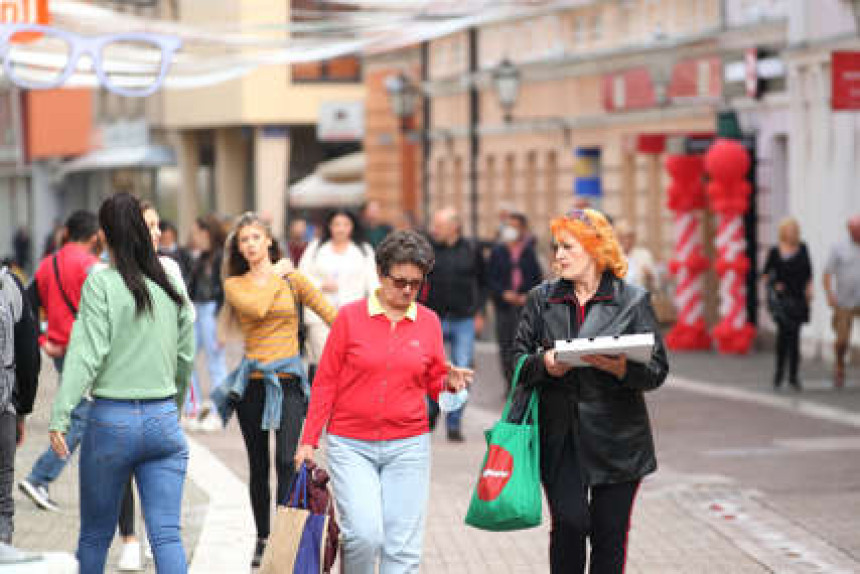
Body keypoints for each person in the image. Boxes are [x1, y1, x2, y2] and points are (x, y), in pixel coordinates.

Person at [294, 230, 473, 574]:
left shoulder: (429, 323)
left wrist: (449, 386)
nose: (407, 291)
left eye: (416, 284)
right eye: (400, 281)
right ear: (380, 274)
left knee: (402, 551)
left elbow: (434, 384)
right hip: (351, 445)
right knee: (363, 535)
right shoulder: (349, 318)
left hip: (409, 445)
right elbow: (326, 383)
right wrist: (308, 440)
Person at [511, 208, 668, 574]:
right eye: (556, 248)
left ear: (596, 250)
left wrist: (622, 368)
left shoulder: (632, 300)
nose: (559, 256)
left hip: (618, 439)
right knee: (570, 524)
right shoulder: (541, 298)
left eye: (568, 247)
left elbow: (657, 370)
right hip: (560, 436)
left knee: (609, 536)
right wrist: (546, 363)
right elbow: (517, 361)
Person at [48, 192, 195, 574]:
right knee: (167, 537)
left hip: (111, 420)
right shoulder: (170, 283)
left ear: (105, 235)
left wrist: (61, 415)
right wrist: (173, 408)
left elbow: (84, 355)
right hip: (163, 419)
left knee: (95, 536)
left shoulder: (102, 285)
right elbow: (186, 357)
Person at [219, 212, 337, 568]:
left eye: (256, 238)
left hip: (288, 383)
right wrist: (276, 273)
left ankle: (285, 541)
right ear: (239, 248)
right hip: (252, 386)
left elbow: (330, 313)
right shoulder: (236, 284)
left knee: (288, 461)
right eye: (244, 240)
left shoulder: (293, 279)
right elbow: (257, 307)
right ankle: (263, 536)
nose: (251, 245)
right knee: (258, 466)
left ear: (268, 241)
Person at [19, 211, 101, 513]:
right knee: (82, 417)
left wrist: (43, 341)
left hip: (60, 352)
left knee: (84, 416)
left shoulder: (46, 264)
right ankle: (39, 476)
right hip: (87, 354)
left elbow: (26, 310)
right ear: (95, 237)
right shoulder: (92, 267)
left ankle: (92, 485)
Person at [424, 208, 486, 442]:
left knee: (462, 370)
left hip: (464, 319)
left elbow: (483, 282)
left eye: (438, 225)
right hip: (434, 319)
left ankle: (454, 423)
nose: (434, 229)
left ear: (454, 226)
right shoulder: (428, 250)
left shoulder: (471, 250)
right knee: (432, 369)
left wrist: (479, 312)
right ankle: (431, 411)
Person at [299, 209, 378, 379]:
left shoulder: (363, 250)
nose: (341, 229)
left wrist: (375, 314)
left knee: (351, 363)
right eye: (336, 224)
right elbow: (301, 277)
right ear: (329, 226)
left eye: (345, 224)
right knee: (324, 363)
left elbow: (373, 285)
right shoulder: (315, 248)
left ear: (353, 227)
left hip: (354, 316)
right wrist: (320, 285)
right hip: (319, 317)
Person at [0, 263, 40, 563]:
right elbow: (28, 355)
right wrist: (23, 408)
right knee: (2, 498)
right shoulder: (10, 286)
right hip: (3, 407)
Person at [488, 212, 543, 392]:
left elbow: (537, 277)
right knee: (505, 345)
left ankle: (522, 382)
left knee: (524, 345)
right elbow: (490, 279)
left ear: (522, 229)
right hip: (504, 306)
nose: (510, 229)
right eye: (508, 225)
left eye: (515, 226)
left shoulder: (528, 251)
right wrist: (503, 293)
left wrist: (527, 296)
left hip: (524, 306)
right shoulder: (498, 251)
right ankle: (509, 383)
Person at [186, 215, 228, 423]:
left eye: (196, 232)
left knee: (216, 362)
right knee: (187, 357)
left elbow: (226, 292)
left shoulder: (220, 257)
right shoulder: (202, 257)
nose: (193, 236)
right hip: (198, 309)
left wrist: (223, 323)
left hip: (213, 311)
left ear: (206, 232)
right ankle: (192, 407)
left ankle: (219, 409)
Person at [763, 218, 813, 391]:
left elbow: (809, 273)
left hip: (798, 299)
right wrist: (774, 283)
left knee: (795, 339)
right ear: (783, 232)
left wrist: (809, 290)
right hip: (782, 301)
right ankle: (778, 374)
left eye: (794, 229)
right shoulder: (775, 251)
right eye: (789, 229)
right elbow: (765, 274)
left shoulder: (803, 248)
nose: (792, 232)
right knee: (782, 338)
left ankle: (793, 376)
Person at [823, 213, 860, 388]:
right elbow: (828, 272)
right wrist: (830, 293)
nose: (857, 233)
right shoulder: (838, 248)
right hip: (844, 300)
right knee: (842, 339)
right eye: (855, 230)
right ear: (849, 230)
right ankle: (839, 365)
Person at [614, 219, 655, 290]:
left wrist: (649, 276)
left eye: (630, 237)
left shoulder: (644, 255)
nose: (627, 241)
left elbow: (654, 284)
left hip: (640, 297)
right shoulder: (612, 257)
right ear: (618, 238)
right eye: (623, 237)